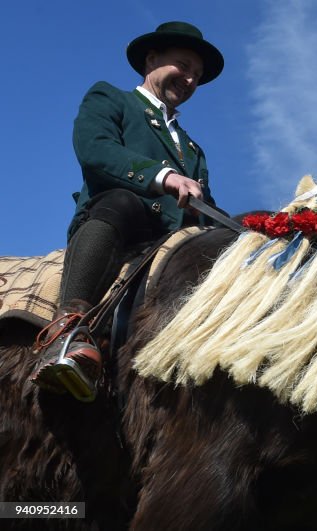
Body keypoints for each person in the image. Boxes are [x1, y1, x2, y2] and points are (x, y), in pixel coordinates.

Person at [32, 21, 224, 402]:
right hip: (119, 222)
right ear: (151, 60)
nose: (189, 80)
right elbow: (95, 150)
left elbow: (205, 205)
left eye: (197, 76)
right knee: (120, 201)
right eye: (183, 66)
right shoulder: (111, 98)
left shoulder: (193, 148)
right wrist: (164, 176)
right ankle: (67, 329)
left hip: (172, 240)